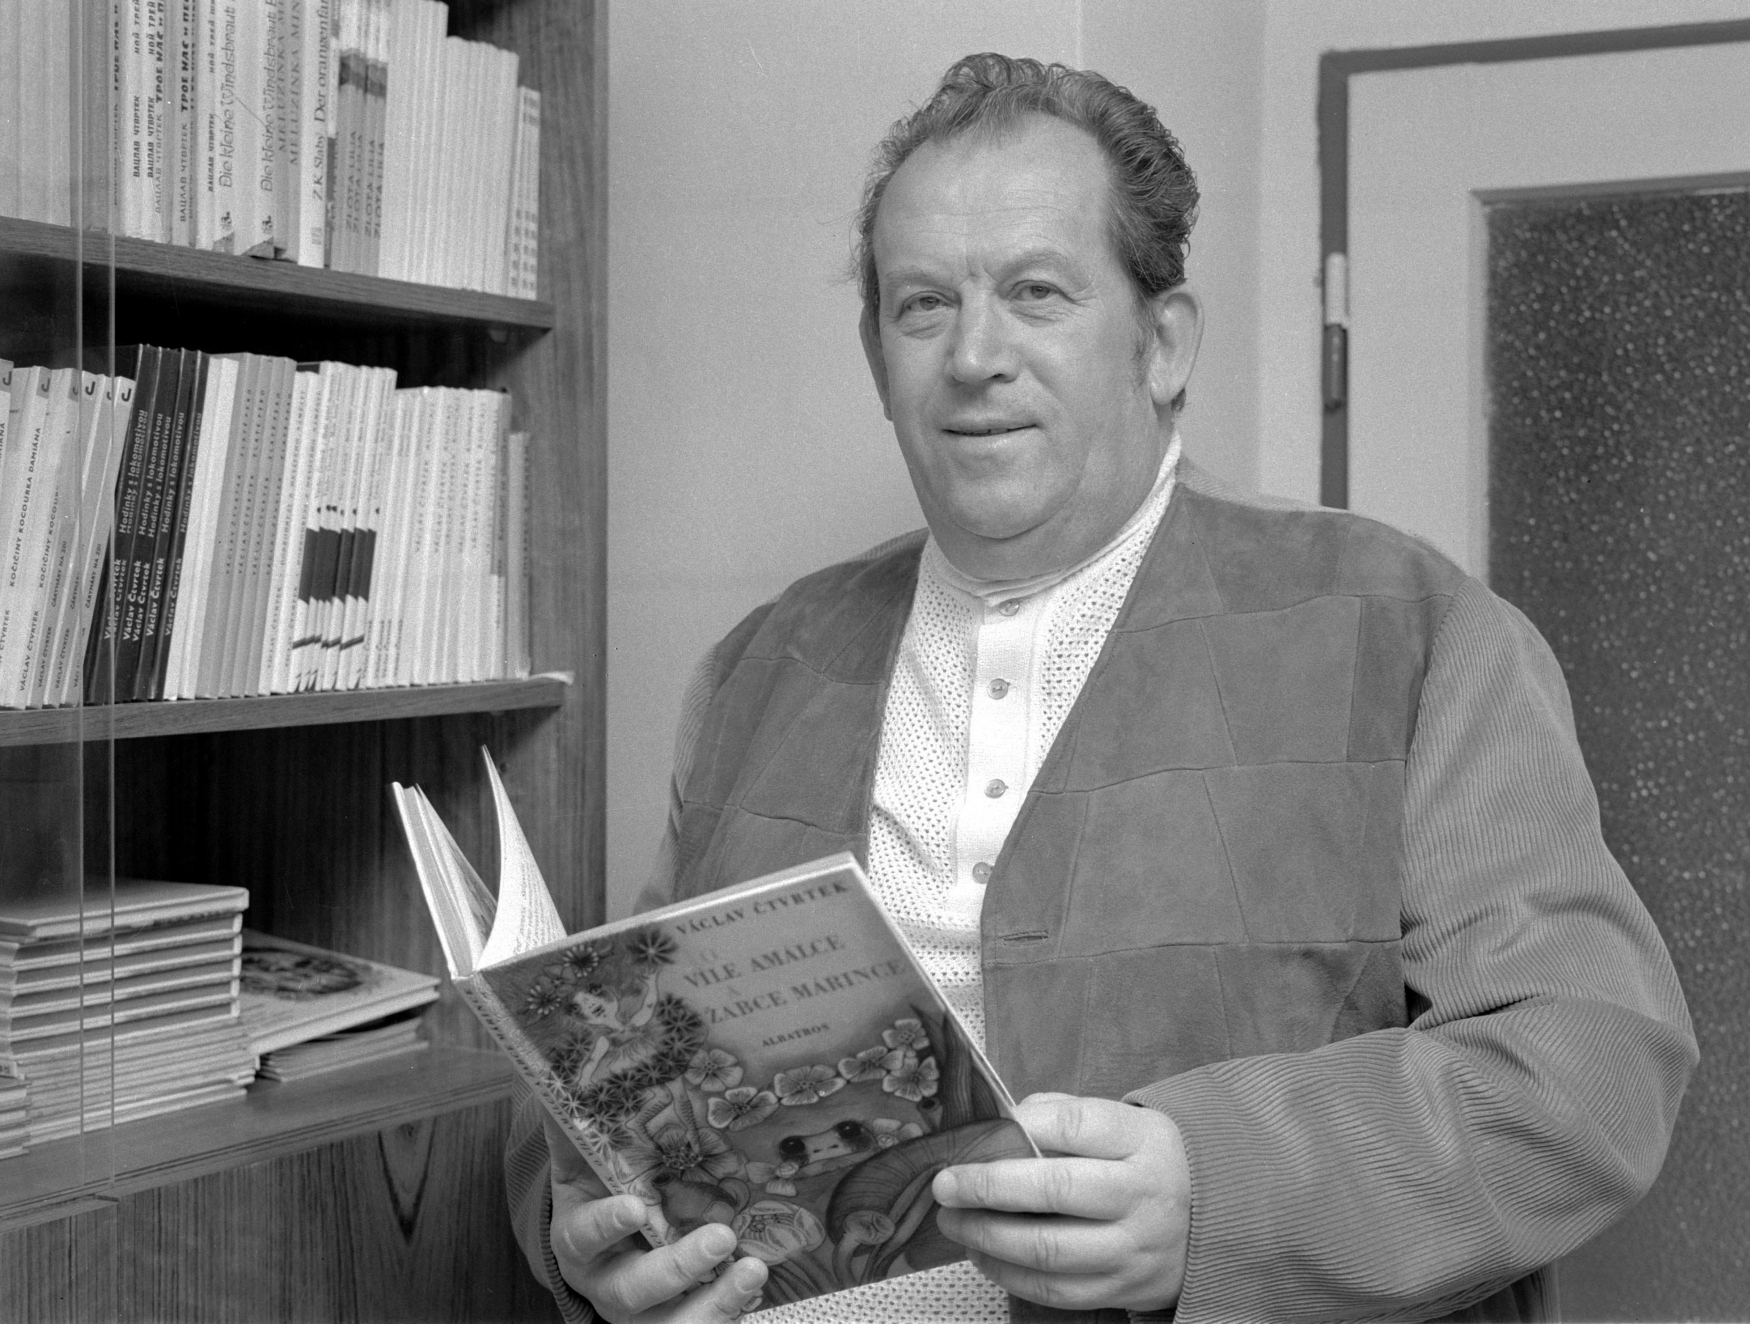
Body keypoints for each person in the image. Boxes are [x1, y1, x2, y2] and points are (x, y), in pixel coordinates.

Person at [505, 53, 1696, 1324]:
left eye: (1036, 292)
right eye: (922, 305)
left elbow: (1585, 1067)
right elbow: (607, 1085)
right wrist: (589, 1242)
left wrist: (1219, 1192)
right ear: (875, 355)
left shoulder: (1413, 628)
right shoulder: (759, 667)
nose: (973, 356)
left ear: (1162, 341)